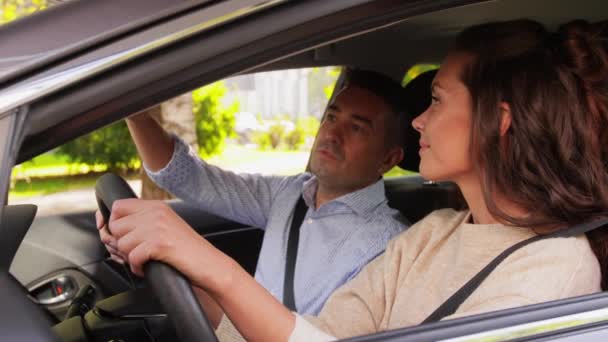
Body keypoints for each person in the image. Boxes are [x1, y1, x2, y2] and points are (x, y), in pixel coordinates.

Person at [102, 18, 608, 341]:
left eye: (435, 100)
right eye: (332, 116)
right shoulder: (435, 234)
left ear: (498, 123)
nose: (419, 122)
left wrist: (211, 265)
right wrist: (179, 263)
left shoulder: (554, 275)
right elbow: (321, 334)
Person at [97, 68, 413, 316]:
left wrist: (180, 251)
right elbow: (188, 177)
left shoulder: (389, 246)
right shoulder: (288, 195)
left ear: (389, 159)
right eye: (331, 116)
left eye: (356, 127)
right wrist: (133, 112)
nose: (332, 133)